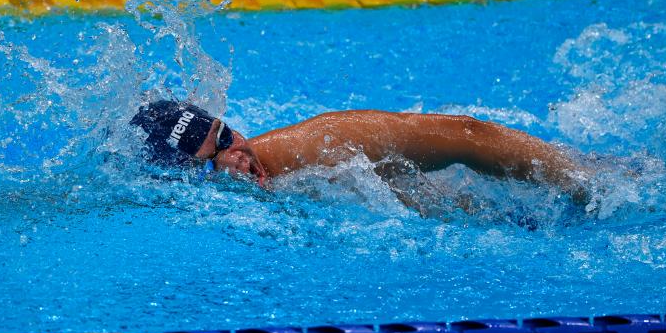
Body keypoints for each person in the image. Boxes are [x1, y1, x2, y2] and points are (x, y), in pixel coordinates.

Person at [130, 99, 590, 203]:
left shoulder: (324, 143)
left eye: (227, 137)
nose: (236, 156)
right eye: (213, 161)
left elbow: (467, 135)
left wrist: (585, 185)